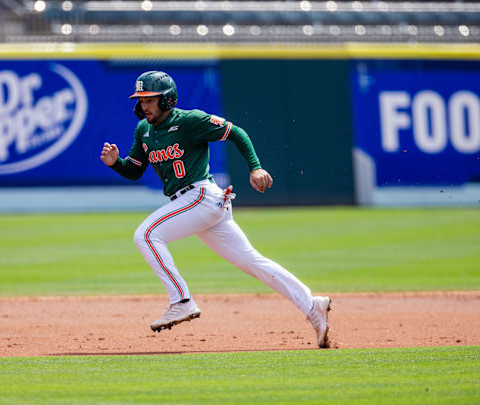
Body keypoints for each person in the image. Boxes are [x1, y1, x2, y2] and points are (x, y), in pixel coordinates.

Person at [100, 71, 331, 348]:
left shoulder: (189, 121)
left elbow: (236, 132)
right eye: (141, 99)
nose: (144, 105)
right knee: (252, 262)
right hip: (194, 204)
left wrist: (255, 167)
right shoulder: (144, 130)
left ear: (167, 99)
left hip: (200, 196)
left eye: (150, 99)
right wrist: (116, 163)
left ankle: (181, 300)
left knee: (146, 235)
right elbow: (135, 170)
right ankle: (312, 305)